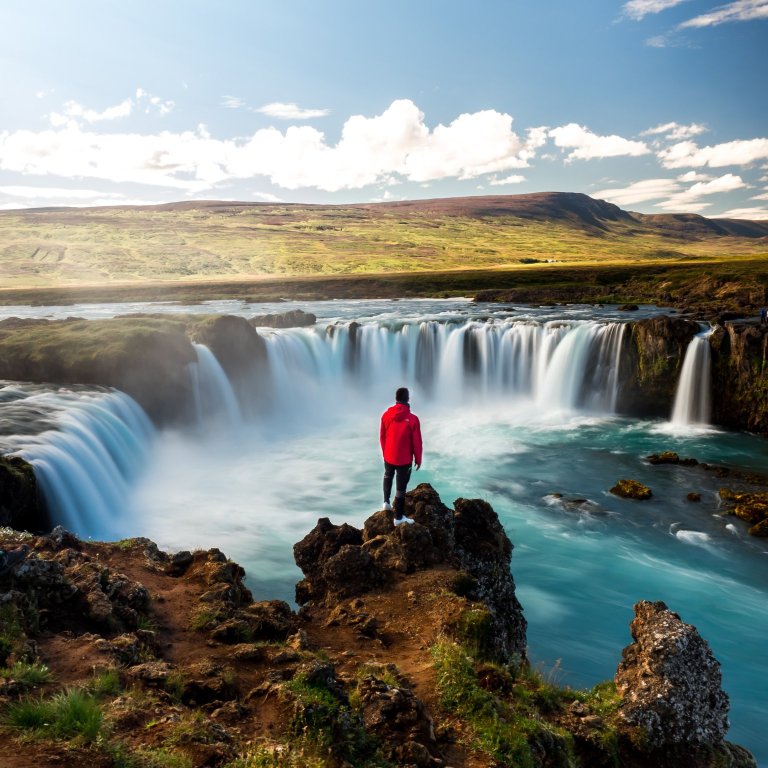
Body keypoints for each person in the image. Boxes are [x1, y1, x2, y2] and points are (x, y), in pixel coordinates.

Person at [379, 387, 422, 525]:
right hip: (404, 459)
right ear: (408, 399)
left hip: (389, 455)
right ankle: (398, 518)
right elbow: (417, 442)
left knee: (388, 475)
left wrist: (385, 452)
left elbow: (382, 436)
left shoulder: (386, 415)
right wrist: (418, 458)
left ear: (396, 399)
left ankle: (386, 503)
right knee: (401, 487)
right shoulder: (413, 419)